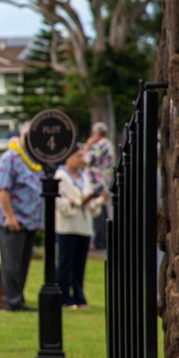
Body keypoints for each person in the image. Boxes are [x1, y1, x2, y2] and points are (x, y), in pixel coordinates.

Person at [0, 122, 44, 312]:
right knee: (12, 265)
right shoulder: (10, 157)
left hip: (30, 221)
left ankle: (18, 299)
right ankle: (12, 302)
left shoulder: (35, 159)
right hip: (12, 220)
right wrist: (10, 216)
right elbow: (2, 189)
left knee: (23, 264)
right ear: (23, 135)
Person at [55, 146, 105, 308]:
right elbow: (60, 202)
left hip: (83, 226)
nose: (81, 160)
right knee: (65, 263)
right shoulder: (61, 176)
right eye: (78, 156)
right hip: (67, 227)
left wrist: (98, 200)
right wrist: (78, 202)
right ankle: (63, 297)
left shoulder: (82, 176)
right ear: (68, 157)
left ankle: (79, 296)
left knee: (79, 264)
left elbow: (89, 204)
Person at [84, 122, 116, 250]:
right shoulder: (109, 144)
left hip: (97, 182)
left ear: (97, 133)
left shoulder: (100, 145)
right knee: (102, 211)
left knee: (98, 211)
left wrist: (87, 145)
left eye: (93, 133)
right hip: (105, 181)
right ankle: (103, 239)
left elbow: (86, 159)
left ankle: (100, 241)